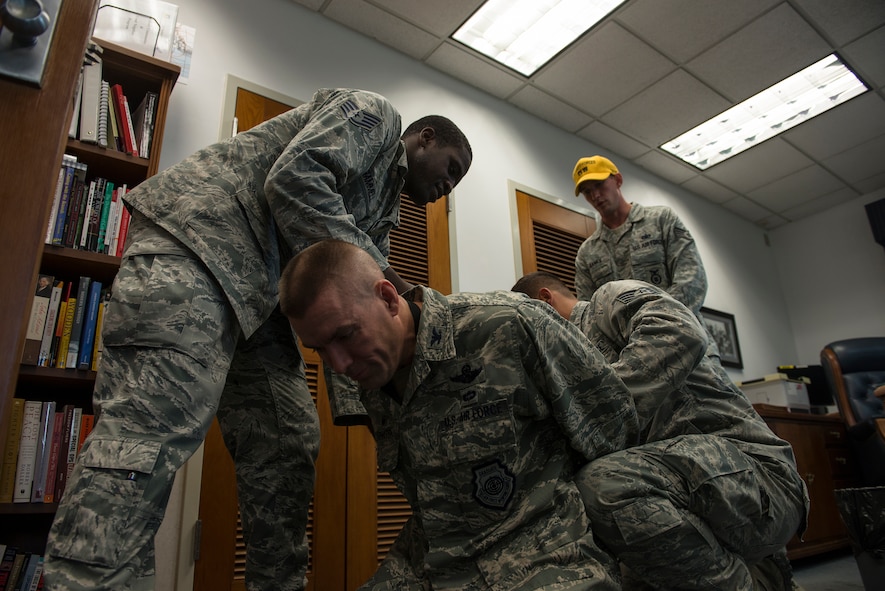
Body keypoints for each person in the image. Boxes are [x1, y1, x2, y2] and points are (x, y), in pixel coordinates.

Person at [44, 88, 473, 591]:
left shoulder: (384, 214)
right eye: (451, 166)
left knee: (286, 440)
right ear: (424, 138)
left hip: (258, 298)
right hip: (196, 249)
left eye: (457, 180)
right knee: (149, 436)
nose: (449, 183)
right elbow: (295, 178)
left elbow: (356, 311)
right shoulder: (375, 117)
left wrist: (391, 412)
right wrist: (394, 283)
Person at [279, 239, 640, 590]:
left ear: (388, 298)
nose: (338, 364)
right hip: (437, 565)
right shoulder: (370, 376)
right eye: (320, 349)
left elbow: (614, 432)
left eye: (345, 335)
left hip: (546, 558)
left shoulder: (508, 325)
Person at [512, 271, 810, 590]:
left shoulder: (607, 301)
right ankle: (765, 573)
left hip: (758, 477)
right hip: (692, 494)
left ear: (545, 299)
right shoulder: (573, 368)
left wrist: (596, 409)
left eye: (532, 324)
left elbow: (681, 332)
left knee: (605, 486)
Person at [572, 155, 707, 316]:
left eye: (599, 185)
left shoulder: (661, 219)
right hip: (629, 340)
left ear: (618, 180)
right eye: (587, 192)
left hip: (680, 332)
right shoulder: (587, 253)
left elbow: (692, 278)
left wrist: (659, 320)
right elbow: (590, 312)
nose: (595, 196)